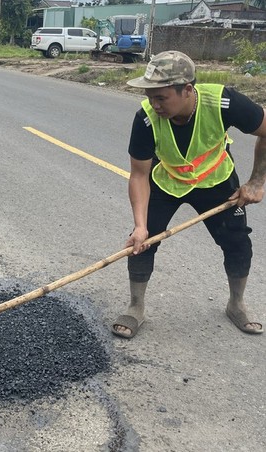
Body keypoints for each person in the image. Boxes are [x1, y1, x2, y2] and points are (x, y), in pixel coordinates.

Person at [113, 50, 266, 338]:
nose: (153, 104)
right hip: (168, 180)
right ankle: (136, 307)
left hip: (216, 181)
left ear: (187, 90)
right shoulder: (145, 119)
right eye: (150, 96)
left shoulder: (224, 102)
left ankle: (236, 304)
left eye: (161, 97)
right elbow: (139, 174)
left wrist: (257, 182)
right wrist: (141, 225)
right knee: (142, 241)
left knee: (236, 240)